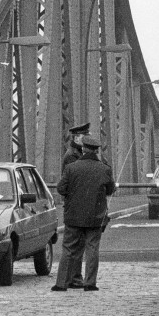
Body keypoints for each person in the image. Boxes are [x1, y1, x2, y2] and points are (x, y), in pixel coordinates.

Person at [52, 133, 116, 292]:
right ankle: (90, 283)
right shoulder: (105, 169)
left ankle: (61, 284)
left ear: (83, 148)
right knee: (92, 249)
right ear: (96, 151)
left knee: (68, 249)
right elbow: (110, 189)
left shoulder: (71, 168)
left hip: (73, 216)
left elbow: (61, 189)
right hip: (95, 217)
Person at [61, 122, 88, 289]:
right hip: (76, 206)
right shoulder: (72, 156)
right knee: (75, 245)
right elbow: (71, 183)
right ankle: (73, 278)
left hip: (76, 205)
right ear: (77, 138)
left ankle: (72, 277)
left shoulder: (76, 153)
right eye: (84, 136)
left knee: (76, 244)